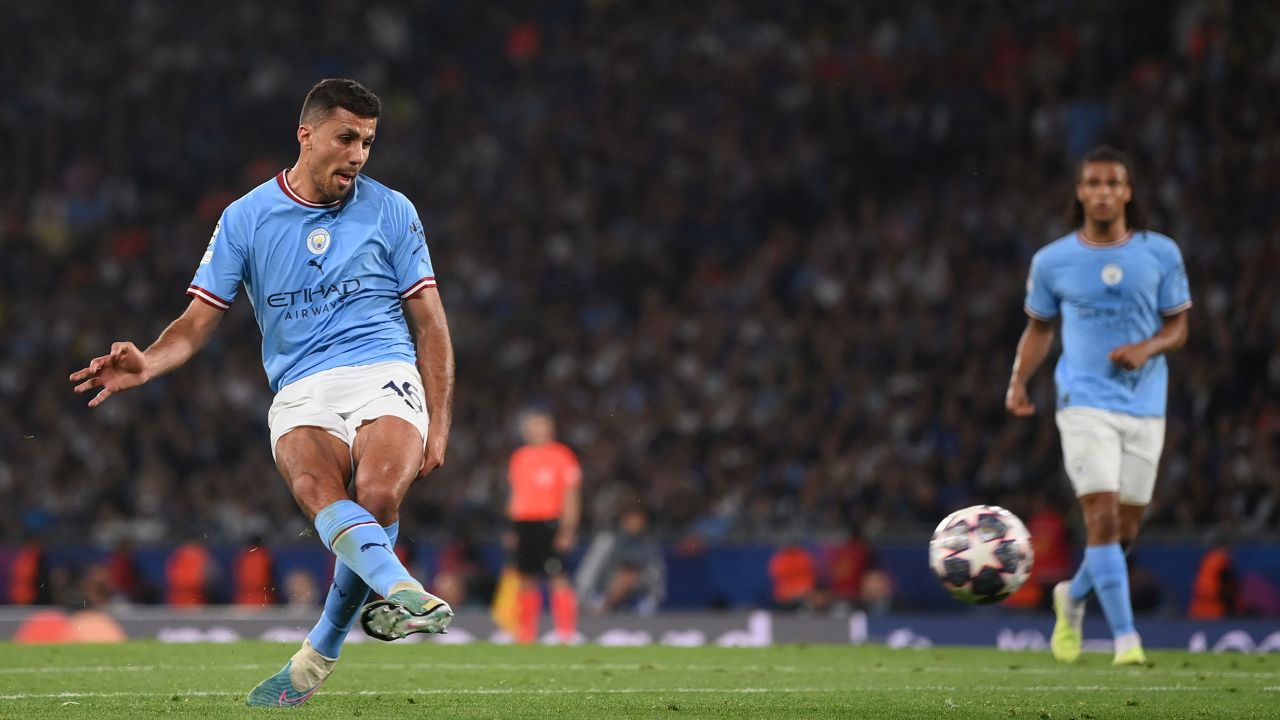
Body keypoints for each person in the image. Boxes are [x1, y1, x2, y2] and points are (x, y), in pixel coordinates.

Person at [69, 78, 455, 706]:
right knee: (314, 487)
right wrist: (147, 362)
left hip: (381, 368)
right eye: (346, 138)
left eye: (368, 143)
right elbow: (195, 323)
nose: (359, 155)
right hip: (301, 384)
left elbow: (431, 324)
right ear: (306, 136)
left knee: (379, 495)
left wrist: (439, 423)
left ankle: (368, 615)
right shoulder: (245, 218)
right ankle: (364, 618)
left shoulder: (392, 210)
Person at [1006, 145, 1191, 666]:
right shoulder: (1053, 260)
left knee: (1124, 531)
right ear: (1080, 192)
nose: (1104, 192)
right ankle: (1126, 639)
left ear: (1128, 192)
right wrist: (1019, 381)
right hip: (1083, 402)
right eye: (1093, 183)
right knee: (1101, 518)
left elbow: (1179, 326)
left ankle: (1072, 596)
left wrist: (1146, 348)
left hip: (1146, 404)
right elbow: (1039, 329)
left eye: (1113, 183)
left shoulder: (1161, 253)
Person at [502, 408, 581, 643]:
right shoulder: (520, 457)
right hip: (524, 523)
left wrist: (568, 528)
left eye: (541, 425)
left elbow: (571, 495)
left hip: (550, 522)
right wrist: (512, 528)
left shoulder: (562, 456)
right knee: (526, 578)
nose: (536, 430)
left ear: (551, 428)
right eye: (532, 426)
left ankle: (566, 633)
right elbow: (516, 494)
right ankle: (526, 635)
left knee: (557, 576)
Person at [575, 505, 666, 615]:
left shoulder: (649, 545)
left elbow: (657, 581)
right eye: (630, 520)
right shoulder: (606, 542)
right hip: (598, 600)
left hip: (634, 604)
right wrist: (597, 602)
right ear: (623, 520)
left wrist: (634, 579)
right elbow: (587, 576)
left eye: (639, 520)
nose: (635, 524)